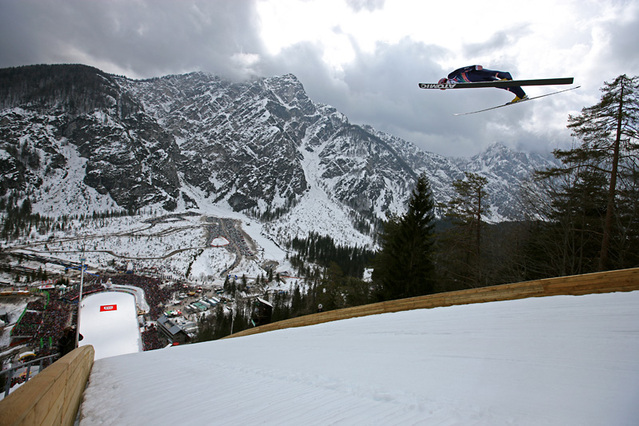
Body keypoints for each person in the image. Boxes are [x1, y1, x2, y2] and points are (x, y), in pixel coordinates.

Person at [439, 65, 528, 103]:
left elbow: (460, 70)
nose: (447, 87)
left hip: (472, 74)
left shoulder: (450, 77)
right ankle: (521, 95)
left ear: (444, 82)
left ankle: (506, 75)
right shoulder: (455, 86)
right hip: (475, 80)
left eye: (444, 86)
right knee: (498, 84)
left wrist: (473, 67)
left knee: (490, 73)